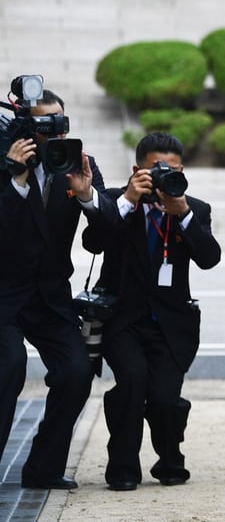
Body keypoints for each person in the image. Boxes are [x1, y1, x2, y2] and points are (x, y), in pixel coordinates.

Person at [80, 132, 221, 491]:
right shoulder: (115, 202)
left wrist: (184, 214)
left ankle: (170, 460)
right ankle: (123, 468)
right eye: (154, 169)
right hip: (122, 320)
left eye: (170, 170)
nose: (161, 177)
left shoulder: (195, 208)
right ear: (136, 170)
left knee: (163, 396)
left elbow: (209, 258)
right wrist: (128, 199)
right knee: (131, 381)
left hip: (173, 325)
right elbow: (92, 242)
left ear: (182, 170)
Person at [0, 87, 118, 490]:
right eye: (42, 126)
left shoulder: (79, 164)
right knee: (8, 367)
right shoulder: (4, 165)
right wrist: (15, 179)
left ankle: (43, 469)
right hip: (3, 295)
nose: (52, 136)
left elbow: (105, 238)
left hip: (51, 297)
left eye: (59, 125)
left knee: (75, 371)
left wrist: (88, 196)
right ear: (23, 128)